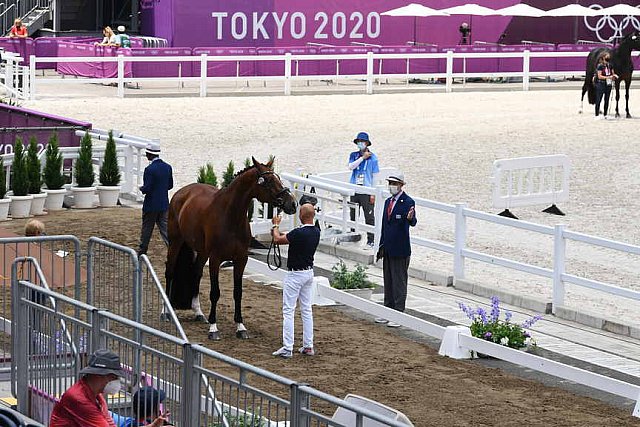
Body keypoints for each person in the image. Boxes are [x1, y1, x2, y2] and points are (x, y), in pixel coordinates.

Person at [270, 204, 320, 359]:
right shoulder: (316, 232)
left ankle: (287, 347)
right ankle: (308, 345)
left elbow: (277, 239)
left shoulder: (298, 233)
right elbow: (291, 237)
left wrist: (276, 225)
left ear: (301, 215)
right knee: (306, 309)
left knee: (288, 310)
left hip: (295, 275)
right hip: (308, 273)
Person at [375, 173, 416, 328]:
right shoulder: (387, 202)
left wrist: (410, 218)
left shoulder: (408, 202)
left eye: (394, 183)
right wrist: (381, 246)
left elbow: (413, 222)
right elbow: (384, 226)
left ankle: (398, 312)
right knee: (388, 281)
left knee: (399, 282)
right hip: (388, 248)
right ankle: (388, 310)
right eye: (390, 182)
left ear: (400, 185)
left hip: (401, 248)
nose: (391, 185)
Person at [50, 349, 124, 427]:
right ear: (99, 375)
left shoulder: (97, 397)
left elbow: (111, 424)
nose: (116, 380)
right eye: (113, 377)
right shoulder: (78, 398)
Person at [138, 143, 173, 256]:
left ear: (149, 154)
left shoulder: (149, 169)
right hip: (164, 204)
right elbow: (170, 185)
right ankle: (172, 249)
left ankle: (143, 251)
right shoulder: (167, 167)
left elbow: (147, 188)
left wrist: (142, 189)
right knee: (165, 230)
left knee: (147, 229)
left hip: (151, 205)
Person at [347, 132, 379, 247]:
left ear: (367, 143)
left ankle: (371, 240)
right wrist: (362, 158)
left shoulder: (373, 158)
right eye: (358, 141)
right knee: (353, 214)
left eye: (362, 141)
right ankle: (353, 235)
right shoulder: (353, 155)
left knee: (369, 217)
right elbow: (351, 167)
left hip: (366, 191)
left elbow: (375, 176)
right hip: (355, 190)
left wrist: (373, 193)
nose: (360, 143)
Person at [594, 53, 618, 120]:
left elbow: (612, 73)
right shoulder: (600, 66)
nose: (609, 57)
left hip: (608, 84)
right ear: (603, 57)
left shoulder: (610, 65)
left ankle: (605, 114)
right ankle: (597, 115)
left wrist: (614, 76)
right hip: (601, 84)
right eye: (607, 56)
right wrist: (608, 77)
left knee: (607, 99)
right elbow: (599, 76)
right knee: (599, 99)